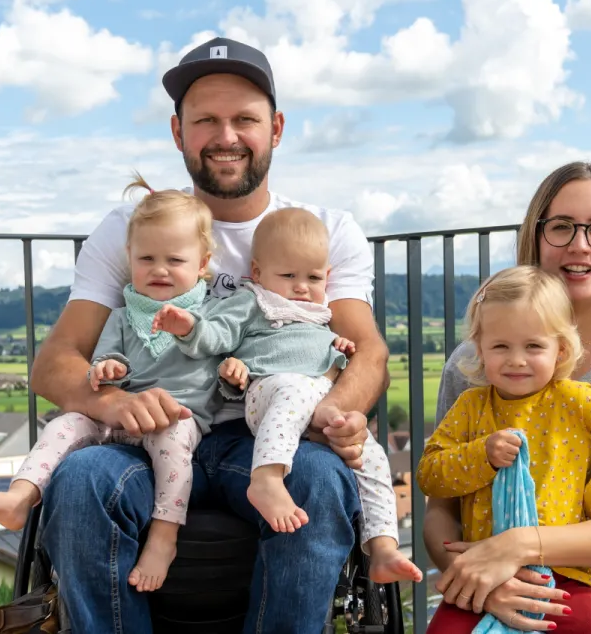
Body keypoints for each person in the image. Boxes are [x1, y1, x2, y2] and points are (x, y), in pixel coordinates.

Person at [28, 36, 390, 633]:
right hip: (153, 436)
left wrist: (332, 416)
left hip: (261, 437)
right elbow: (55, 364)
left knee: (321, 477)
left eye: (244, 119)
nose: (226, 136)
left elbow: (365, 351)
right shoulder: (132, 230)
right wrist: (116, 402)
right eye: (206, 121)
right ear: (178, 133)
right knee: (82, 479)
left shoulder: (324, 231)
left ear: (275, 128)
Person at [423, 162, 591, 634]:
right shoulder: (474, 365)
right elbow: (440, 512)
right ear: (536, 238)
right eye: (562, 227)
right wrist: (487, 578)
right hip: (497, 584)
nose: (579, 244)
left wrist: (522, 545)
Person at [0, 180, 225, 592]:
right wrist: (106, 372)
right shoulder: (121, 315)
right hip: (119, 420)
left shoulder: (207, 315)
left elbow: (220, 349)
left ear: (202, 263)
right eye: (146, 258)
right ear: (129, 258)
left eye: (174, 259)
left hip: (178, 417)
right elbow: (105, 358)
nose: (159, 269)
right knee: (65, 424)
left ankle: (164, 535)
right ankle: (20, 496)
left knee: (172, 445)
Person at [152, 207, 422, 584]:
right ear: (258, 273)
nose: (300, 286)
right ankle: (266, 478)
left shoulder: (321, 313)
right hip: (270, 388)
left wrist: (337, 348)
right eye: (288, 275)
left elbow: (339, 355)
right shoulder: (253, 301)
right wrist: (191, 329)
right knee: (292, 390)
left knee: (370, 455)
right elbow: (217, 336)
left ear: (327, 277)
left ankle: (382, 546)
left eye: (312, 277)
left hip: (318, 399)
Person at [417, 265, 591, 634]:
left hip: (563, 575)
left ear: (560, 349)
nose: (517, 359)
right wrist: (481, 455)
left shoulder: (575, 399)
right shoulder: (470, 406)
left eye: (533, 346)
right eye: (501, 346)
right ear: (480, 349)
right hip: (483, 576)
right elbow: (430, 475)